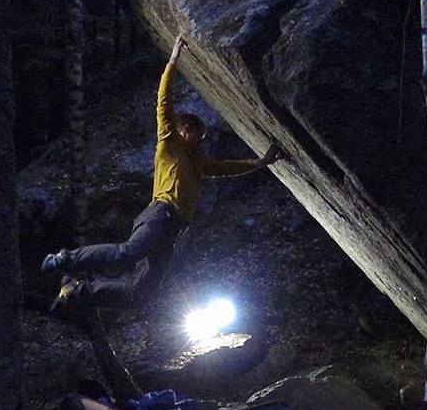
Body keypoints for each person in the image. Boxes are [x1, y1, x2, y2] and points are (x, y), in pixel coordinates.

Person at [41, 33, 283, 309]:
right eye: (197, 134)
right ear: (185, 130)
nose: (200, 140)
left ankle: (75, 291)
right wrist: (173, 59)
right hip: (160, 214)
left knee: (140, 292)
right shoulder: (169, 142)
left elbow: (226, 168)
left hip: (172, 229)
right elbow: (163, 101)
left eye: (202, 137)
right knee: (128, 253)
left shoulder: (197, 162)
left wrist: (260, 163)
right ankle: (65, 259)